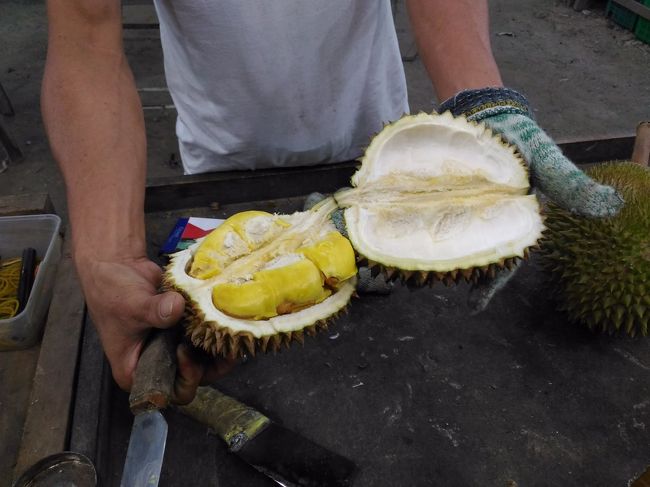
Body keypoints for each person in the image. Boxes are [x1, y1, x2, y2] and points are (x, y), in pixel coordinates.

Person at [42, 1, 622, 404]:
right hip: (223, 163)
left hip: (384, 157)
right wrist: (108, 254)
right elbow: (85, 37)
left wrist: (481, 96)